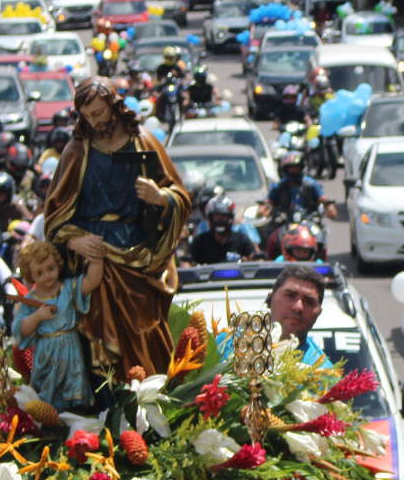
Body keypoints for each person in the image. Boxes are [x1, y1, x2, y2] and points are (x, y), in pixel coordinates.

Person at [44, 76, 191, 377]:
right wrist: (73, 242)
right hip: (92, 255)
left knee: (146, 328)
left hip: (138, 256)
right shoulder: (78, 150)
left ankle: (150, 399)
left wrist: (160, 197)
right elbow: (55, 215)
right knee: (92, 340)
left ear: (114, 106)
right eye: (86, 116)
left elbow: (180, 196)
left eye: (98, 113)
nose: (93, 121)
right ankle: (103, 409)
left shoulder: (143, 141)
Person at [13, 239, 104, 413]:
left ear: (57, 264)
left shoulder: (68, 288)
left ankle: (77, 416)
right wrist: (37, 317)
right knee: (48, 394)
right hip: (46, 354)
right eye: (39, 273)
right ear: (30, 275)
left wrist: (96, 259)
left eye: (50, 268)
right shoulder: (30, 300)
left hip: (71, 349)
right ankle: (50, 420)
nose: (47, 275)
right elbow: (20, 329)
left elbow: (91, 282)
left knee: (74, 390)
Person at [265, 152, 337, 222]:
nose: (294, 170)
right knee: (273, 232)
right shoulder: (278, 186)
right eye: (291, 168)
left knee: (318, 232)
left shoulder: (311, 184)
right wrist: (263, 209)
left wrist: (330, 207)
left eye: (297, 168)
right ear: (285, 169)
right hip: (284, 221)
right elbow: (269, 201)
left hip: (308, 220)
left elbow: (322, 198)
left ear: (302, 168)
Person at [189, 195, 259, 263]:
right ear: (210, 218)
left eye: (224, 216)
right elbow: (188, 262)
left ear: (231, 217)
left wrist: (248, 261)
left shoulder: (242, 239)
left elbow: (256, 259)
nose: (220, 220)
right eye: (216, 216)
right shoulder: (201, 241)